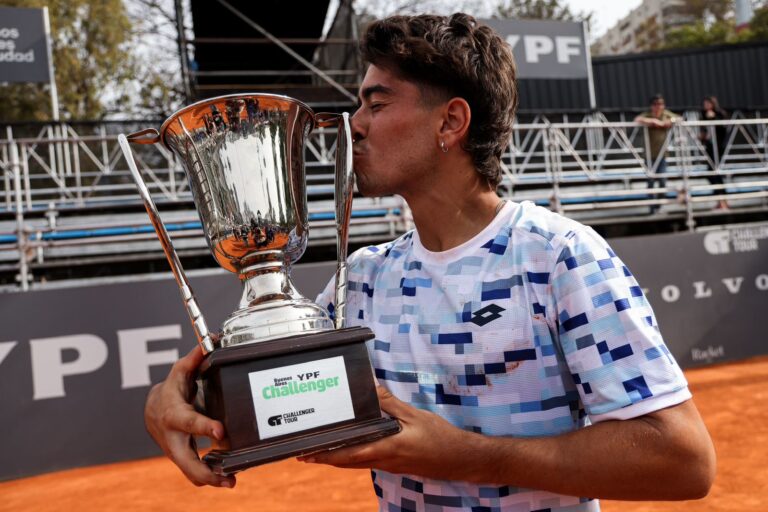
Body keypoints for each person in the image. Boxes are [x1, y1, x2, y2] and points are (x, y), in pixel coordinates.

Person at [144, 13, 716, 511]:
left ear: (450, 122)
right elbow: (260, 390)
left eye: (377, 103)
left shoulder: (559, 254)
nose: (354, 124)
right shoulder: (363, 279)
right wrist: (174, 398)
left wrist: (467, 456)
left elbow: (683, 460)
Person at [634, 94, 680, 214]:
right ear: (652, 106)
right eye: (656, 104)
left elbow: (679, 118)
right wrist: (653, 121)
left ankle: (659, 205)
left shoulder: (666, 114)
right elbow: (637, 119)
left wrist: (668, 122)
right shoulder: (648, 114)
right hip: (649, 155)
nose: (658, 107)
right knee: (651, 182)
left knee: (663, 181)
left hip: (662, 155)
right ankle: (652, 208)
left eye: (660, 104)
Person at [699, 95, 729, 210]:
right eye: (705, 104)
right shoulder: (703, 115)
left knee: (716, 173)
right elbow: (705, 131)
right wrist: (702, 137)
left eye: (708, 103)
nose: (706, 106)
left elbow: (723, 128)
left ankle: (723, 201)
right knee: (711, 174)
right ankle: (720, 200)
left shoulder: (720, 114)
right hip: (710, 147)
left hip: (718, 148)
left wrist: (713, 118)